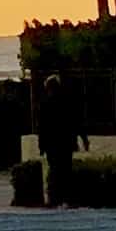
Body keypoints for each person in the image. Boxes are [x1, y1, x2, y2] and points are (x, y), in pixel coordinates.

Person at [36, 73, 79, 205]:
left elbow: (42, 128)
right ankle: (67, 198)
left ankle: (54, 198)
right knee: (66, 170)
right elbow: (75, 122)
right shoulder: (67, 102)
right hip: (65, 143)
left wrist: (41, 146)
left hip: (52, 145)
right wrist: (81, 140)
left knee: (55, 170)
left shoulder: (44, 104)